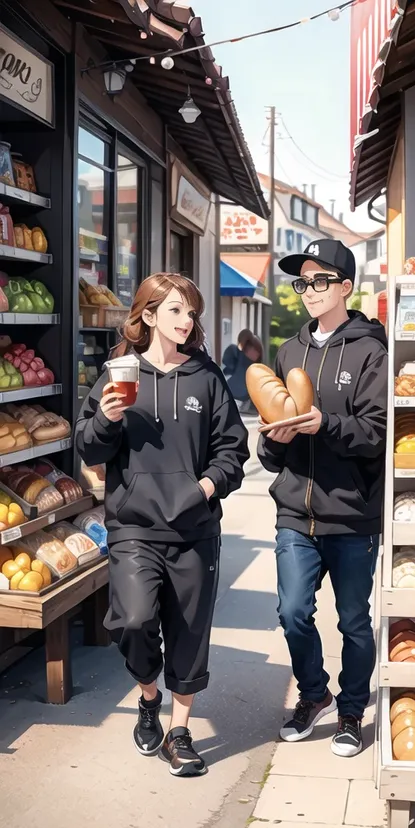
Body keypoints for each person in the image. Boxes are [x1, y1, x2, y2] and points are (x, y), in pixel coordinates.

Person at [75, 273, 249, 777]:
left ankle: (180, 731)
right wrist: (106, 418)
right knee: (132, 619)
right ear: (148, 316)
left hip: (194, 529)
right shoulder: (116, 372)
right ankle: (148, 695)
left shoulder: (206, 376)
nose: (186, 320)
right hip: (133, 526)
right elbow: (89, 447)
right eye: (175, 310)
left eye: (190, 312)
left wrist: (204, 489)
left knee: (190, 631)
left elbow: (232, 450)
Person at [258, 239, 387, 758]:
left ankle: (353, 711)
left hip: (352, 513)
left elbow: (376, 432)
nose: (309, 291)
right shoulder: (289, 351)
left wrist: (324, 424)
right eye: (302, 282)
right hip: (295, 512)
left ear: (345, 287)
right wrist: (271, 441)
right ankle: (314, 694)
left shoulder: (370, 350)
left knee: (354, 620)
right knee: (292, 612)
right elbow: (270, 433)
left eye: (319, 281)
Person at [222, 329, 263, 412]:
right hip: (239, 397)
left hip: (239, 397)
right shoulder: (235, 353)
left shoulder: (235, 352)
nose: (254, 353)